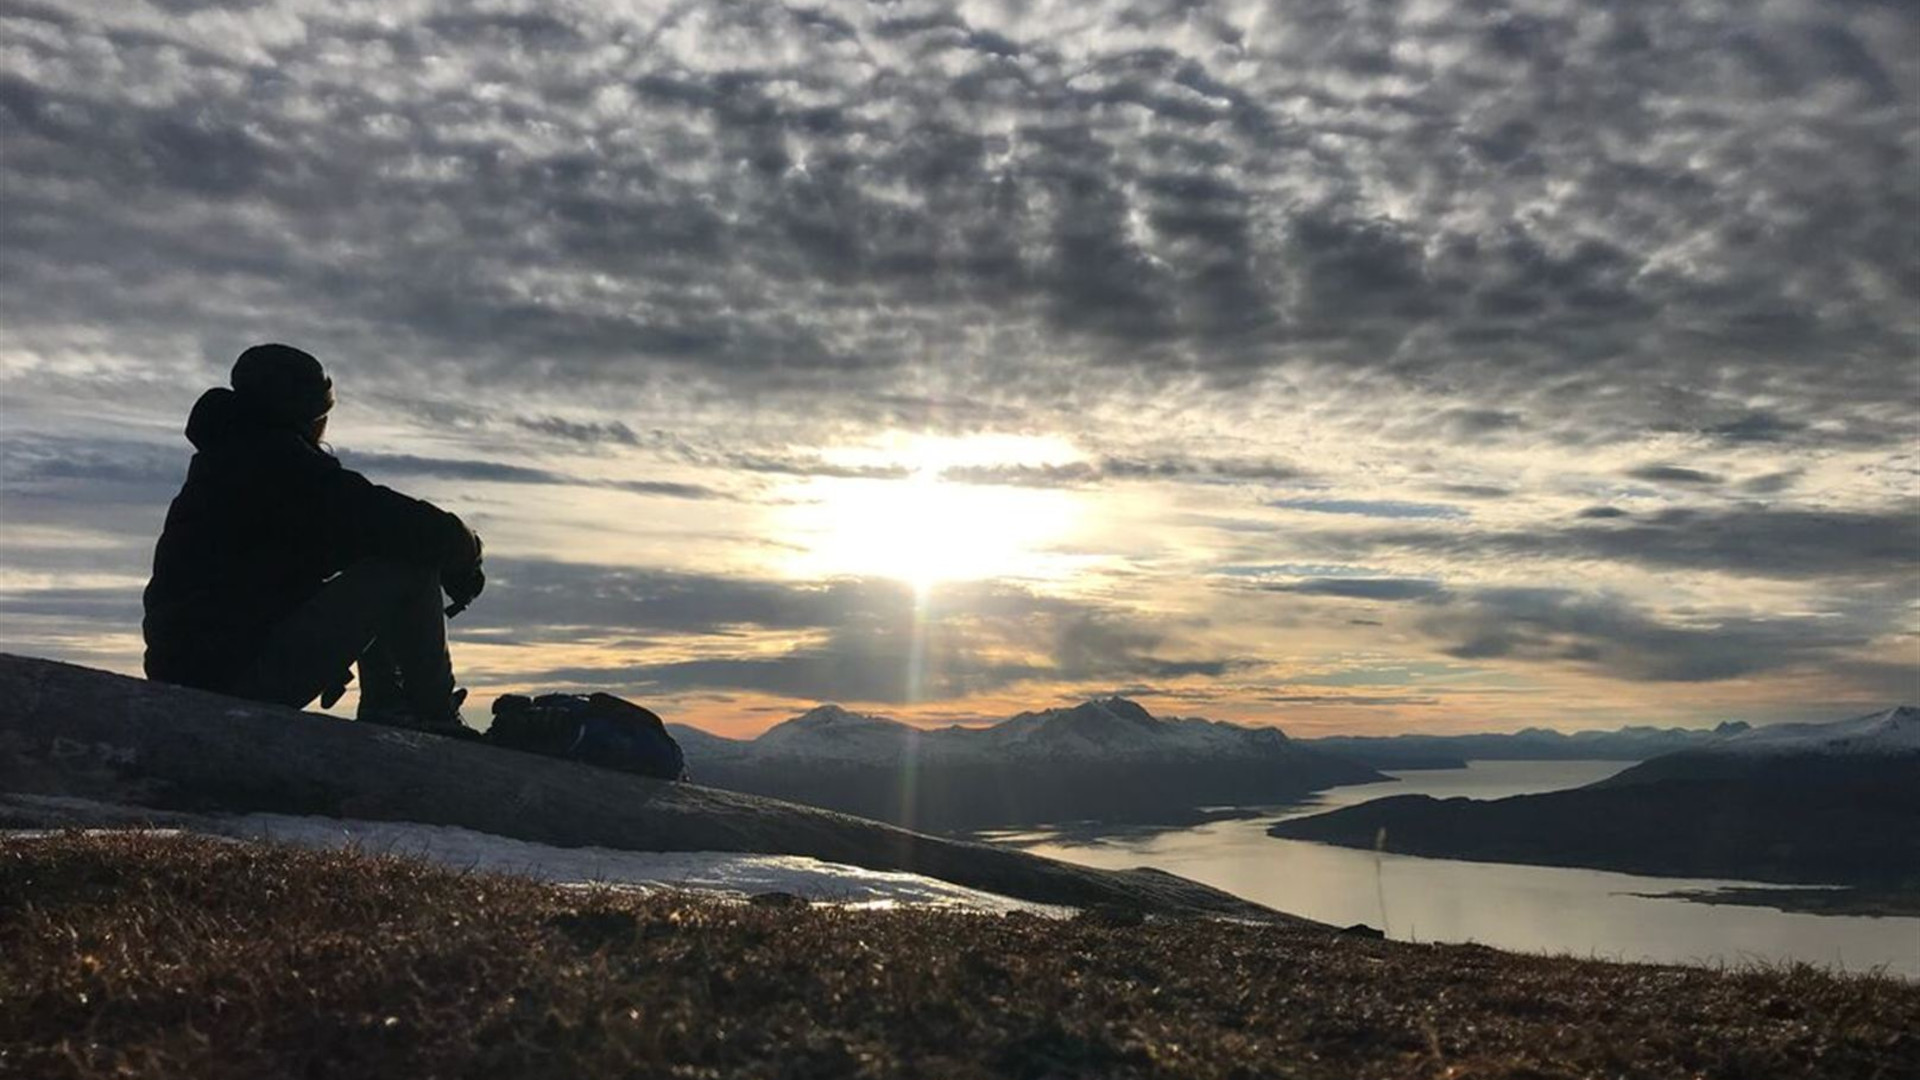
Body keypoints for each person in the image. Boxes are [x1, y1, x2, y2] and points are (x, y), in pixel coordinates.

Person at [143, 343, 486, 735]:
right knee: (408, 568)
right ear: (300, 414)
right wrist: (466, 551)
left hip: (204, 665)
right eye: (320, 416)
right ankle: (433, 713)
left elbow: (253, 578)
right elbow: (391, 521)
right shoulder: (278, 465)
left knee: (387, 553)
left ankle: (391, 703)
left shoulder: (233, 462)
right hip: (231, 677)